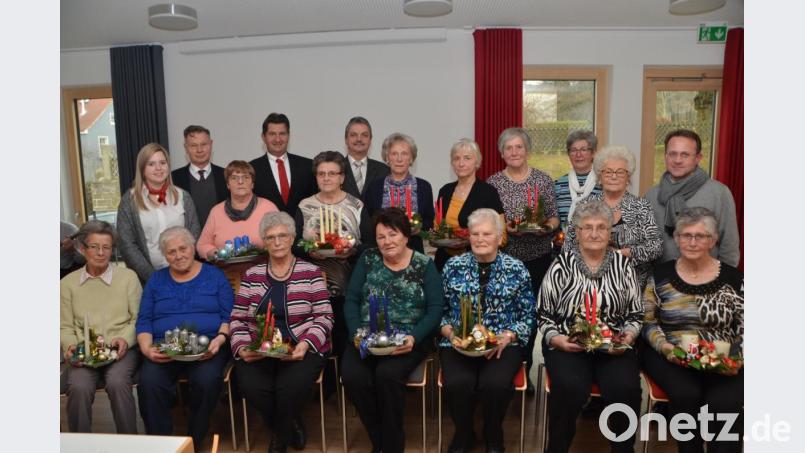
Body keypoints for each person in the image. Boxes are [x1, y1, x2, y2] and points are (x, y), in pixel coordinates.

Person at [537, 200, 643, 453]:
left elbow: (636, 314)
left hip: (613, 344)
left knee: (625, 387)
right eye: (587, 227)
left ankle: (623, 449)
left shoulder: (624, 266)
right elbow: (543, 314)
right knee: (570, 386)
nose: (594, 233)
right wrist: (556, 340)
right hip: (568, 343)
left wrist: (627, 337)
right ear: (577, 232)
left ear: (610, 232)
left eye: (601, 227)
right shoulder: (561, 265)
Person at [641, 207, 744, 453]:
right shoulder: (661, 275)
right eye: (686, 235)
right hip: (672, 355)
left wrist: (737, 358)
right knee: (686, 394)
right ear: (676, 239)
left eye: (701, 236)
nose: (693, 241)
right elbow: (647, 321)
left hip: (723, 357)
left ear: (713, 240)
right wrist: (665, 347)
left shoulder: (734, 278)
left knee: (723, 405)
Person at [230, 212, 333, 453]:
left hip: (301, 346)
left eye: (282, 236)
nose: (277, 242)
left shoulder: (311, 272)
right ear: (264, 242)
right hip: (259, 347)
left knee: (288, 389)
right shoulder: (252, 276)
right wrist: (243, 347)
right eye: (270, 237)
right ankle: (289, 424)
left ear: (292, 238)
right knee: (251, 387)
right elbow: (237, 318)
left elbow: (325, 316)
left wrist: (305, 344)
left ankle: (278, 441)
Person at [342, 208, 443, 453]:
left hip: (408, 338)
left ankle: (393, 443)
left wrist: (414, 337)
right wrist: (357, 333)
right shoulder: (367, 259)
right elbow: (352, 300)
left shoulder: (423, 264)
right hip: (367, 336)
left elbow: (436, 309)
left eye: (393, 234)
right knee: (354, 377)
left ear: (406, 236)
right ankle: (380, 439)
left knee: (387, 376)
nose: (387, 241)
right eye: (381, 236)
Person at [439, 208, 536, 453]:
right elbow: (439, 310)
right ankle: (464, 433)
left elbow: (528, 314)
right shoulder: (453, 266)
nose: (480, 239)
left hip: (503, 343)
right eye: (475, 234)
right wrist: (450, 333)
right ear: (468, 237)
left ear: (499, 237)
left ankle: (494, 433)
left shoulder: (517, 268)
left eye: (486, 234)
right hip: (459, 342)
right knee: (458, 383)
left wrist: (509, 336)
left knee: (495, 384)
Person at [135, 226, 233, 449]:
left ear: (192, 248)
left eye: (183, 248)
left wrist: (219, 340)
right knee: (149, 383)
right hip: (165, 348)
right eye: (171, 252)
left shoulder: (214, 275)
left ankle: (194, 439)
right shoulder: (156, 280)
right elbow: (144, 319)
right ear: (164, 255)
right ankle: (161, 444)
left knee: (206, 381)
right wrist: (147, 348)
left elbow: (230, 316)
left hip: (207, 348)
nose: (178, 255)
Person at [487, 127, 559, 384]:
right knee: (506, 313)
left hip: (538, 258)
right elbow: (491, 222)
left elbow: (553, 216)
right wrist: (504, 228)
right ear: (501, 153)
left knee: (529, 316)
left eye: (519, 147)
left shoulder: (543, 180)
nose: (514, 152)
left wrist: (547, 228)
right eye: (509, 148)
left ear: (527, 150)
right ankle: (503, 366)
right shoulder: (493, 183)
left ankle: (525, 366)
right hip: (505, 259)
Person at [60, 220, 141, 434]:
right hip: (83, 352)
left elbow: (138, 319)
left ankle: (130, 444)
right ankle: (80, 445)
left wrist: (124, 339)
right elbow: (65, 326)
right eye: (94, 247)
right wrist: (70, 347)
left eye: (106, 247)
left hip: (121, 351)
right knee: (78, 386)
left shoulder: (128, 278)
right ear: (82, 248)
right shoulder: (67, 284)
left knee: (117, 382)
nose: (100, 253)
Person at [294, 151, 373, 360]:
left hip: (350, 281)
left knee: (343, 335)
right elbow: (293, 245)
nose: (326, 178)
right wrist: (308, 250)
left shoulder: (356, 206)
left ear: (342, 177)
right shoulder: (304, 206)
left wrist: (352, 250)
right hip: (313, 284)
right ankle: (324, 382)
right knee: (318, 338)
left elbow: (371, 244)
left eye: (332, 173)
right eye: (321, 174)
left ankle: (343, 379)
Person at [563, 145, 662, 290]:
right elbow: (568, 246)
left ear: (628, 177)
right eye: (608, 172)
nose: (614, 176)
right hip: (588, 283)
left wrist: (623, 254)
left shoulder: (641, 206)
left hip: (631, 284)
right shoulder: (585, 206)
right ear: (599, 176)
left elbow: (656, 247)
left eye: (620, 172)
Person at [645, 129, 740, 267]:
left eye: (685, 155)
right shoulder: (651, 195)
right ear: (665, 156)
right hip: (660, 280)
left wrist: (725, 280)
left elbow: (729, 245)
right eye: (673, 154)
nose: (677, 160)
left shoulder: (719, 193)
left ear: (698, 158)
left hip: (707, 280)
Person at [117, 143, 201, 283]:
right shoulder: (129, 201)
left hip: (185, 275)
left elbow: (194, 235)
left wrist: (183, 268)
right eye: (151, 164)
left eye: (162, 162)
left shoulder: (183, 196)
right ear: (142, 168)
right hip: (147, 280)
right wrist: (153, 277)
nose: (158, 168)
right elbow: (127, 244)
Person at [435, 139, 504, 271]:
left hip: (477, 263)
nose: (461, 163)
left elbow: (502, 234)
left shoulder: (488, 192)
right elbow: (437, 227)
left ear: (477, 162)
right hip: (444, 261)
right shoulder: (445, 190)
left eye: (467, 158)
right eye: (456, 158)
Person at [363, 132, 434, 254]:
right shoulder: (374, 188)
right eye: (394, 154)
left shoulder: (424, 187)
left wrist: (418, 228)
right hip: (382, 253)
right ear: (387, 158)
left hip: (414, 251)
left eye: (404, 154)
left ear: (411, 158)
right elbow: (368, 224)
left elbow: (429, 220)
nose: (399, 159)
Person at [196, 160, 278, 260]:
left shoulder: (268, 208)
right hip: (225, 272)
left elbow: (281, 239)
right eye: (234, 178)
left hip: (262, 270)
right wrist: (218, 254)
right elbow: (202, 245)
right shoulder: (216, 212)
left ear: (252, 184)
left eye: (246, 177)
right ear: (227, 185)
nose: (240, 182)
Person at [250, 113, 317, 216]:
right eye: (272, 134)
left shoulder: (308, 166)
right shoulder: (251, 169)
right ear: (263, 137)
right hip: (266, 230)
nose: (278, 139)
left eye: (282, 133)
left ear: (288, 136)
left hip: (302, 231)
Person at [171, 125, 230, 226]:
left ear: (211, 144)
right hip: (188, 240)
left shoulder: (226, 175)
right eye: (193, 145)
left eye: (204, 144)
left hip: (221, 239)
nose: (199, 150)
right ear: (186, 148)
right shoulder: (173, 179)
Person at [554, 130, 602, 230]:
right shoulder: (558, 184)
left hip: (596, 242)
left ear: (593, 153)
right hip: (563, 243)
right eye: (573, 150)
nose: (578, 155)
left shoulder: (603, 182)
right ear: (568, 154)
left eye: (583, 150)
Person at [341, 116, 390, 199]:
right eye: (353, 135)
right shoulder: (336, 169)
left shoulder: (384, 171)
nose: (359, 139)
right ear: (346, 139)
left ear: (370, 140)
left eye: (364, 135)